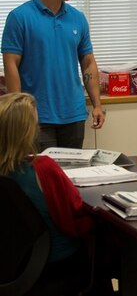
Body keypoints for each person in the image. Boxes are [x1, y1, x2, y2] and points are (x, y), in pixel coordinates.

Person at [2, 0, 105, 150]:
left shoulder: (77, 18)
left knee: (72, 175)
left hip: (73, 114)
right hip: (36, 115)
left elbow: (88, 62)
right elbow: (11, 65)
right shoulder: (19, 17)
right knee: (41, 175)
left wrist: (97, 104)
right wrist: (19, 112)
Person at [0, 92, 94, 289]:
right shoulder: (43, 168)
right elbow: (73, 217)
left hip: (11, 267)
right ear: (27, 131)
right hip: (54, 263)